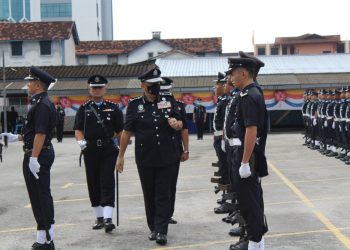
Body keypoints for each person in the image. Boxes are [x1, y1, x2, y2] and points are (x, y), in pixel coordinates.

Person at [116, 68, 183, 246]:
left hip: (167, 156)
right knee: (149, 193)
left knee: (163, 193)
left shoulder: (168, 100)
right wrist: (120, 156)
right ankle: (153, 227)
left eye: (158, 84)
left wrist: (177, 124)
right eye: (152, 85)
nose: (156, 88)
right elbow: (126, 132)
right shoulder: (134, 105)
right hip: (146, 157)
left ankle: (161, 230)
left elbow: (180, 121)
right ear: (143, 86)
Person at [2, 66, 57, 249]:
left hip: (38, 155)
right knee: (36, 196)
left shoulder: (42, 105)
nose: (27, 85)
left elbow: (41, 135)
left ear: (37, 84)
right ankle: (42, 238)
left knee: (41, 196)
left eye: (30, 82)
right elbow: (34, 133)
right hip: (36, 153)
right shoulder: (39, 102)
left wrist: (34, 157)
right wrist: (16, 137)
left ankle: (49, 240)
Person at [227, 54, 268, 250]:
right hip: (245, 155)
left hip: (248, 157)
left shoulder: (250, 96)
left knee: (250, 202)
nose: (231, 78)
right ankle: (256, 242)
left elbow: (251, 131)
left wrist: (245, 162)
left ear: (243, 73)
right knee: (248, 200)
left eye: (233, 73)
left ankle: (255, 243)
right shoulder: (247, 94)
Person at [73, 75, 123, 233]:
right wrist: (81, 142)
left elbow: (120, 131)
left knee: (107, 181)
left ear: (105, 88)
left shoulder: (114, 108)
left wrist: (121, 153)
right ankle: (99, 217)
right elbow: (78, 129)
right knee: (93, 182)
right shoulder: (84, 108)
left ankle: (108, 218)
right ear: (89, 89)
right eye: (94, 87)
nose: (97, 90)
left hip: (108, 150)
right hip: (90, 150)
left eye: (100, 87)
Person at [160, 77, 189, 225]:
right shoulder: (152, 105)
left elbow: (184, 129)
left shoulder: (178, 106)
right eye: (162, 90)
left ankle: (168, 213)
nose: (165, 93)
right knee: (159, 186)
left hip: (173, 150)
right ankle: (159, 214)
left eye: (167, 90)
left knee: (171, 184)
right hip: (156, 151)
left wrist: (186, 150)